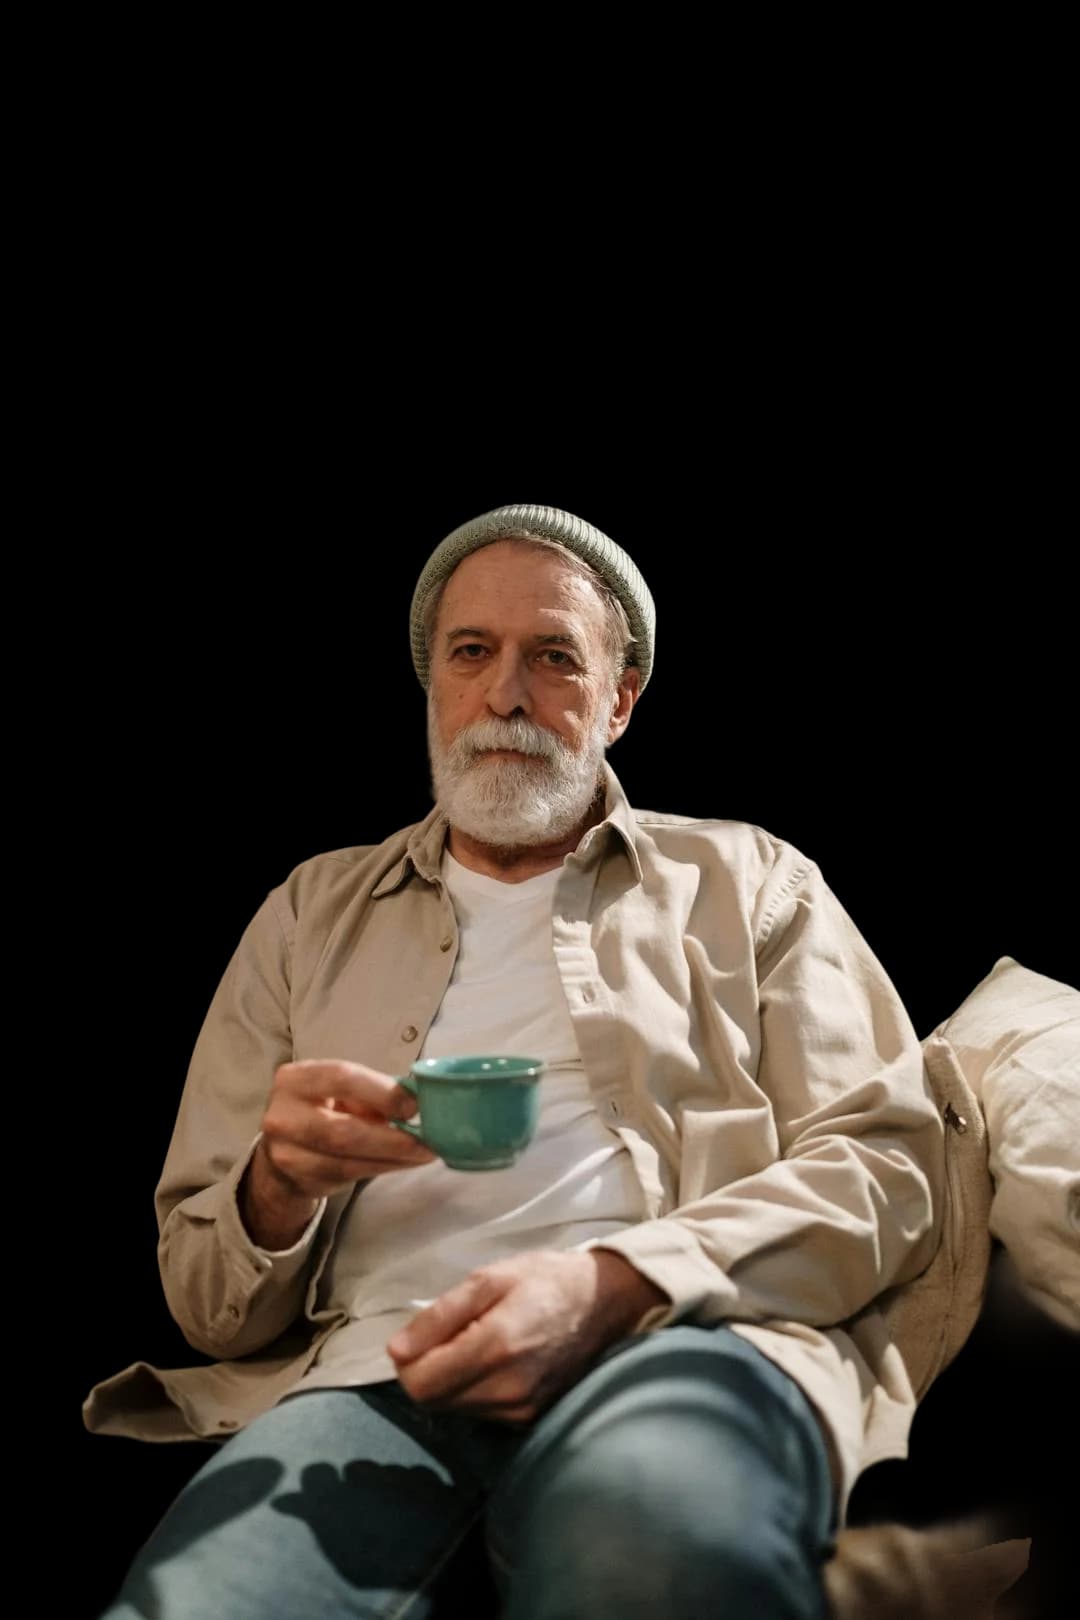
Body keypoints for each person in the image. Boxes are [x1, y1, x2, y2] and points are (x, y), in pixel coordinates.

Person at [86, 503, 945, 1620]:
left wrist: (614, 1283)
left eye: (553, 657)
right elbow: (207, 1309)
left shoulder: (751, 883)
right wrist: (275, 1189)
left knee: (654, 1563)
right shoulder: (308, 914)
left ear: (619, 701)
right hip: (374, 1371)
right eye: (471, 653)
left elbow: (891, 1171)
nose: (505, 696)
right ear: (433, 687)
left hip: (677, 1345)